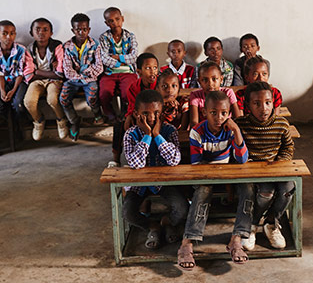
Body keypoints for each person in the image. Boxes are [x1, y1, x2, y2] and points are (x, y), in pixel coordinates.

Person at [177, 90, 250, 270]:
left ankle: (236, 239)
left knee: (248, 187)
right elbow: (196, 164)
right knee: (204, 189)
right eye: (213, 113)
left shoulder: (231, 129)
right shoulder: (197, 131)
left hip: (227, 173)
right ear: (204, 112)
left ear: (229, 113)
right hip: (203, 174)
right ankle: (187, 242)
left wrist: (237, 131)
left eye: (224, 113)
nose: (219, 117)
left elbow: (242, 160)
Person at [122, 89, 189, 250]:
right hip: (139, 184)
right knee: (128, 213)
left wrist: (157, 135)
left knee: (182, 208)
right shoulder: (130, 135)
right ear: (136, 113)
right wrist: (147, 136)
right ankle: (152, 227)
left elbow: (174, 160)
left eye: (156, 113)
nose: (151, 118)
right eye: (145, 113)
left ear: (162, 112)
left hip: (163, 182)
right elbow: (136, 164)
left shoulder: (169, 131)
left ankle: (167, 222)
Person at [236, 82, 294, 251]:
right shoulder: (241, 125)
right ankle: (252, 226)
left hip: (275, 167)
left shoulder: (281, 124)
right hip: (252, 170)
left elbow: (288, 147)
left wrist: (280, 163)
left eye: (268, 103)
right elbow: (236, 150)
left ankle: (271, 223)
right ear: (248, 106)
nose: (264, 108)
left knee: (288, 188)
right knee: (266, 193)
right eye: (257, 103)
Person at [60, 13, 104, 141]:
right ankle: (74, 121)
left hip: (90, 80)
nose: (81, 32)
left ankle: (97, 114)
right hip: (73, 81)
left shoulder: (95, 44)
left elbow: (99, 68)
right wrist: (84, 73)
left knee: (92, 96)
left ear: (88, 29)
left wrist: (81, 69)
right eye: (78, 29)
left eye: (84, 29)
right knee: (63, 98)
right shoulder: (67, 46)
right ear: (73, 30)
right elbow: (68, 71)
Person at [111, 53, 159, 167]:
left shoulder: (160, 84)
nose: (152, 72)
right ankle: (116, 160)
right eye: (148, 68)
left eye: (155, 68)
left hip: (157, 116)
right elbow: (132, 106)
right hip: (140, 115)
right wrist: (129, 116)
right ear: (139, 71)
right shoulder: (134, 87)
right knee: (119, 126)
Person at [23, 18, 67, 141]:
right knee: (28, 101)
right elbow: (29, 75)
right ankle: (38, 121)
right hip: (36, 82)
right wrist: (49, 73)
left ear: (51, 33)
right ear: (31, 32)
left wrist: (37, 71)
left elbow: (60, 73)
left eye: (45, 30)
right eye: (37, 29)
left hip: (54, 81)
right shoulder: (29, 49)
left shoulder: (57, 46)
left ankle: (61, 120)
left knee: (53, 99)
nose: (41, 32)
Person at [98, 7, 139, 122]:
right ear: (106, 23)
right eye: (111, 21)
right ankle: (110, 113)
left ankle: (126, 113)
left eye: (117, 19)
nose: (115, 23)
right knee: (104, 94)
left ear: (122, 19)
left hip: (128, 72)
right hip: (109, 73)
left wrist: (117, 57)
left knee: (128, 93)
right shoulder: (104, 38)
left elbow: (134, 56)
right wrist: (123, 60)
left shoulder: (130, 36)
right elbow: (104, 59)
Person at [0, 20, 28, 132]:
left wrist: (13, 90)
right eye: (4, 33)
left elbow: (20, 72)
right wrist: (3, 90)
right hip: (1, 83)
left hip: (18, 82)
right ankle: (8, 120)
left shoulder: (21, 50)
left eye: (12, 33)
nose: (9, 36)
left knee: (19, 104)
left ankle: (18, 122)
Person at [189, 61, 241, 128]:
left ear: (221, 79)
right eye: (205, 80)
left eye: (214, 79)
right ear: (199, 82)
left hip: (226, 131)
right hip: (204, 133)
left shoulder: (228, 93)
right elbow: (194, 122)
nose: (210, 84)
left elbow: (237, 119)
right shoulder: (195, 95)